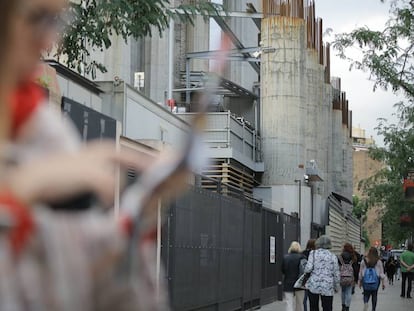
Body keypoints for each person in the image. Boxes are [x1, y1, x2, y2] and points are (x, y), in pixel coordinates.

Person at [0, 0, 185, 309]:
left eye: (56, 20)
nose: (48, 42)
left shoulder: (42, 128)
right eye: (37, 18)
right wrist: (17, 195)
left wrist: (138, 215)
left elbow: (76, 268)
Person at [305, 235, 340, 311]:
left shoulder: (313, 253)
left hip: (314, 284)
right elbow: (336, 273)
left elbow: (308, 269)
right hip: (327, 286)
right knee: (327, 307)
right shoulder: (332, 256)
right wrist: (336, 286)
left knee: (313, 307)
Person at [359, 247, 386, 311]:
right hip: (376, 280)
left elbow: (360, 272)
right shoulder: (378, 261)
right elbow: (381, 273)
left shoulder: (364, 261)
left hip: (365, 279)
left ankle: (366, 303)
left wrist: (360, 281)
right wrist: (383, 283)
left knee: (366, 293)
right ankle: (373, 309)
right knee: (374, 295)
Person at [282, 241, 306, 311]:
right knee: (299, 303)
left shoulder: (285, 258)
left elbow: (283, 270)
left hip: (288, 282)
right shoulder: (302, 257)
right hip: (300, 283)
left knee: (289, 303)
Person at [338, 243, 358, 311]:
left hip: (342, 277)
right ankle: (347, 307)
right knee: (349, 292)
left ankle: (343, 306)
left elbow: (338, 267)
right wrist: (356, 278)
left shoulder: (341, 256)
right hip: (350, 277)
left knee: (343, 291)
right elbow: (356, 268)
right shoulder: (353, 257)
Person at [302, 239, 316, 311]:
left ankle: (305, 309)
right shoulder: (316, 254)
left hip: (305, 277)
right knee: (313, 298)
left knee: (305, 297)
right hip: (314, 277)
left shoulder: (303, 253)